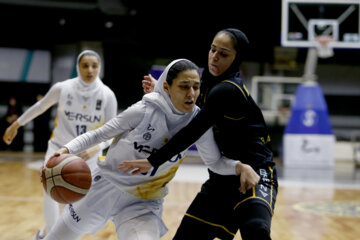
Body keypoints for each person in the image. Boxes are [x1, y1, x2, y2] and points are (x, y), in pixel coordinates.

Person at [43, 59, 243, 240]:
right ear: (167, 87)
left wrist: (240, 167)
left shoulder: (198, 123)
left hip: (143, 205)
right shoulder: (143, 110)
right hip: (104, 188)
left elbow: (215, 162)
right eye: (184, 86)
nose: (191, 93)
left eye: (196, 87)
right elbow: (98, 134)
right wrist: (66, 149)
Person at [120, 28, 278, 240]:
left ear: (236, 58)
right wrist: (162, 94)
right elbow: (188, 112)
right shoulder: (206, 83)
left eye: (223, 54)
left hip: (255, 172)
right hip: (222, 178)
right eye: (213, 50)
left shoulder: (228, 90)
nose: (214, 57)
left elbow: (192, 130)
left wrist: (153, 160)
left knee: (256, 230)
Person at [2, 50, 118, 239]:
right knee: (50, 191)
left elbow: (113, 131)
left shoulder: (107, 95)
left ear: (100, 68)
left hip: (88, 156)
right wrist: (17, 124)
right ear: (78, 67)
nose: (90, 69)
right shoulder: (63, 88)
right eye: (85, 65)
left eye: (94, 66)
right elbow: (40, 107)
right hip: (59, 149)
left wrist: (96, 147)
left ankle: (48, 233)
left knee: (78, 203)